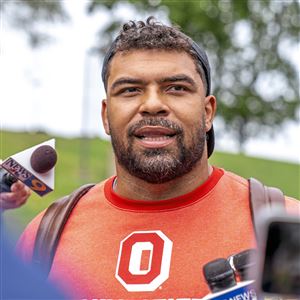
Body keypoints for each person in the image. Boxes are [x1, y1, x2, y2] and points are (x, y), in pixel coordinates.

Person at [16, 17, 299, 298]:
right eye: (130, 90)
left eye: (176, 88)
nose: (152, 105)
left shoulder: (287, 227)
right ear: (105, 115)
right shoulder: (43, 238)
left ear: (208, 112)